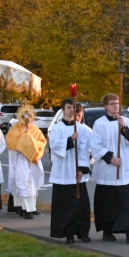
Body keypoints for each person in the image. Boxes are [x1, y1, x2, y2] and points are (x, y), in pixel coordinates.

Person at [90, 93, 129, 243]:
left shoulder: (125, 121)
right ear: (106, 106)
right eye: (112, 103)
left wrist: (124, 128)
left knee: (127, 202)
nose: (115, 106)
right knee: (108, 203)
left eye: (117, 103)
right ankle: (107, 231)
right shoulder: (99, 123)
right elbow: (95, 146)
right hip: (108, 171)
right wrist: (110, 159)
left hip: (124, 169)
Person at [48, 99, 92, 243]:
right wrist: (70, 140)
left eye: (73, 107)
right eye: (68, 107)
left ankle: (83, 232)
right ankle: (69, 233)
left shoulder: (83, 129)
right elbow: (54, 146)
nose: (71, 110)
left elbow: (86, 151)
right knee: (65, 205)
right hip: (62, 171)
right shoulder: (56, 128)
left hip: (77, 172)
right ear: (63, 110)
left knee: (81, 205)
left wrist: (82, 169)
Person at [5, 104, 47, 219]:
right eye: (25, 116)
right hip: (21, 159)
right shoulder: (16, 129)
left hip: (32, 160)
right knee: (23, 183)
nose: (27, 118)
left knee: (32, 183)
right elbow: (10, 141)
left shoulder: (34, 129)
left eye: (29, 116)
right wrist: (23, 143)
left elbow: (42, 141)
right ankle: (24, 209)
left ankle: (31, 207)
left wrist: (31, 143)